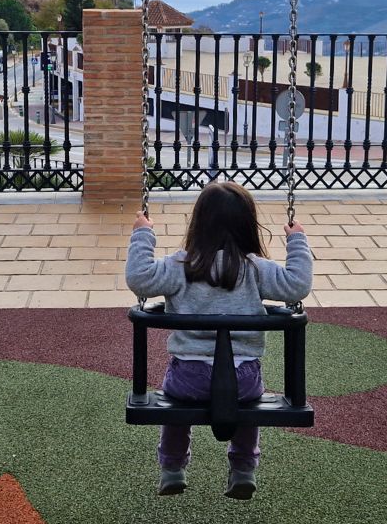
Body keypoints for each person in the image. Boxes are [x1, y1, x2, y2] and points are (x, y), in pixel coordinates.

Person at [126, 181, 312, 500]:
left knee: (175, 407)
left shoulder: (181, 266)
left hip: (189, 380)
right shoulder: (254, 268)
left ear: (197, 224)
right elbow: (297, 285)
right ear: (247, 226)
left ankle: (172, 469)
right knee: (246, 408)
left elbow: (139, 278)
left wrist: (143, 233)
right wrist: (297, 240)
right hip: (244, 381)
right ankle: (243, 469)